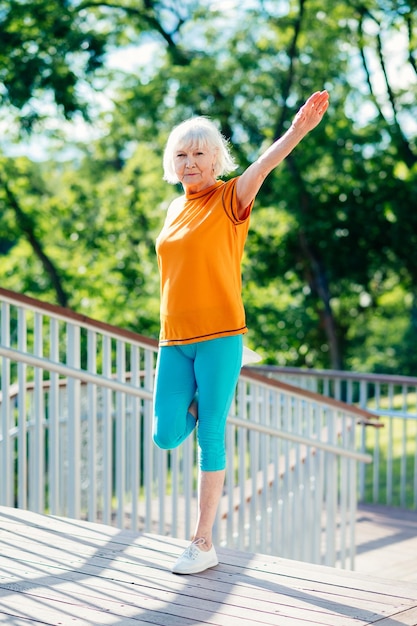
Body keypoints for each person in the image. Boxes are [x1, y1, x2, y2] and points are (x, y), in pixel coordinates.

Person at [153, 90, 329, 575]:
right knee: (166, 435)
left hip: (220, 335)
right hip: (173, 340)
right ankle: (205, 396)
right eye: (182, 155)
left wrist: (297, 131)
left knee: (211, 431)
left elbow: (264, 166)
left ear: (216, 160)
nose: (190, 162)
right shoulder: (172, 209)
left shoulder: (231, 198)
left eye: (199, 154)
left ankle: (202, 542)